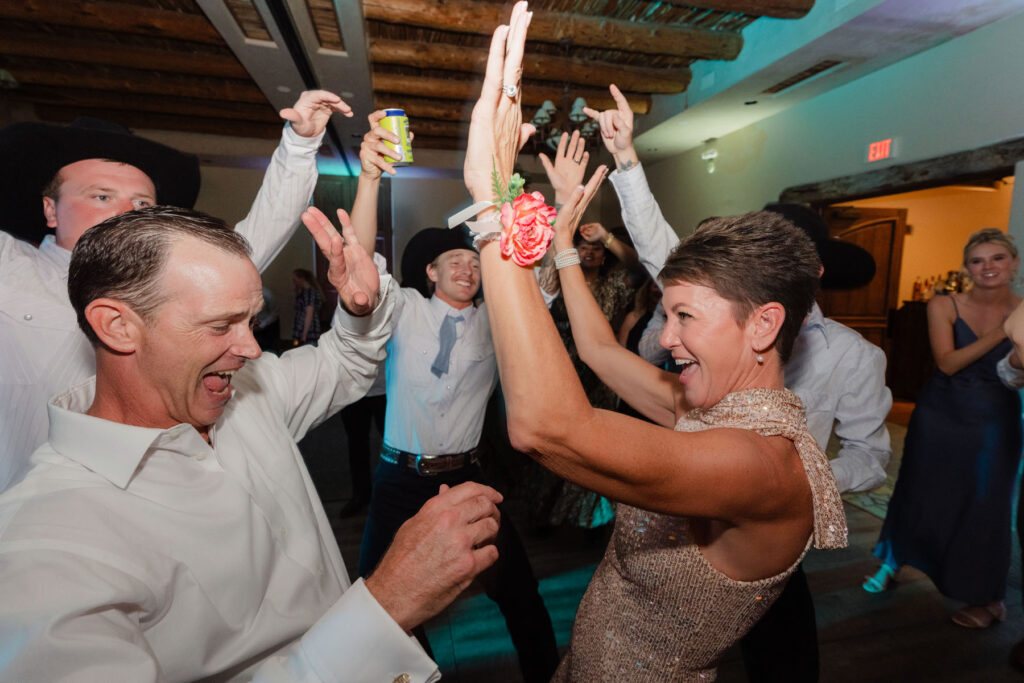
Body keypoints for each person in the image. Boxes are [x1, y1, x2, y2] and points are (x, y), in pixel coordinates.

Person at [460, 5, 847, 679]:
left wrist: (494, 209)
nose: (665, 338)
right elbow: (599, 351)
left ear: (763, 324)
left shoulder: (759, 463)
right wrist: (559, 247)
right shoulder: (712, 408)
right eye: (666, 314)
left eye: (686, 317)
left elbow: (544, 425)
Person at [0, 205, 503, 681]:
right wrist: (387, 604)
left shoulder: (245, 396)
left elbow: (342, 364)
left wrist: (356, 307)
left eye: (250, 319)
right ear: (118, 325)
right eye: (220, 325)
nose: (250, 348)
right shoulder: (45, 546)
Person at [585, 84, 891, 681]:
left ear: (813, 272)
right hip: (689, 519)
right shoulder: (722, 311)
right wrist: (625, 160)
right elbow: (659, 251)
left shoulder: (853, 356)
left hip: (769, 535)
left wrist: (791, 485)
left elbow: (872, 457)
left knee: (786, 662)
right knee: (678, 648)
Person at [305, 109, 559, 682]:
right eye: (456, 263)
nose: (468, 271)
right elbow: (363, 267)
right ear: (430, 274)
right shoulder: (404, 312)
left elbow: (541, 290)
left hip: (468, 476)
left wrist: (524, 211)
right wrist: (371, 178)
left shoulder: (499, 321)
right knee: (375, 603)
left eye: (475, 263)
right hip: (398, 479)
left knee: (520, 594)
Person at [0, 90, 352, 491]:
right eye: (101, 196)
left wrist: (300, 144)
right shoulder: (11, 271)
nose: (126, 213)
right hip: (35, 521)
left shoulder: (178, 279)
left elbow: (265, 228)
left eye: (142, 202)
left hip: (162, 501)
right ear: (50, 209)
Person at [865, 228, 1022, 629]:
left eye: (997, 258)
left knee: (986, 503)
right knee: (919, 489)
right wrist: (1003, 331)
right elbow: (948, 363)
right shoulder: (944, 304)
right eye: (977, 260)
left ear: (1014, 263)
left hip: (995, 418)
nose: (988, 267)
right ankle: (894, 560)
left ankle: (988, 597)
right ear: (965, 267)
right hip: (940, 413)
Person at [291, 268, 325, 345]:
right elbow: (296, 308)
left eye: (294, 279)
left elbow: (309, 313)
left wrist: (304, 334)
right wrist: (294, 291)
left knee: (308, 352)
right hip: (301, 326)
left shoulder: (310, 292)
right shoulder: (303, 292)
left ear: (301, 279)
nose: (293, 281)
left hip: (309, 329)